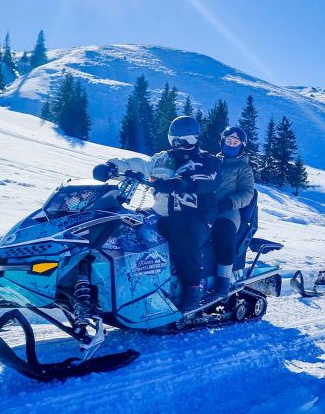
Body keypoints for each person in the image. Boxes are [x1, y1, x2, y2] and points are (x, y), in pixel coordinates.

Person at [93, 115, 220, 311]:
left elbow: (208, 179)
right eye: (175, 140)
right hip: (159, 213)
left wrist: (181, 182)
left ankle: (192, 288)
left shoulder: (205, 161)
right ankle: (123, 282)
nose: (180, 145)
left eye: (187, 141)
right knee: (126, 224)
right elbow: (141, 165)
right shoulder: (162, 159)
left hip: (195, 219)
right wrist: (113, 167)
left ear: (196, 139)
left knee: (181, 231)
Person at [211, 126, 255, 296]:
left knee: (223, 230)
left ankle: (223, 279)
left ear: (241, 146)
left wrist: (229, 203)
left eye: (235, 142)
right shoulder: (212, 162)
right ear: (222, 142)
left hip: (228, 211)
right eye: (228, 141)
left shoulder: (243, 168)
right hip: (205, 208)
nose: (231, 145)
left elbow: (247, 194)